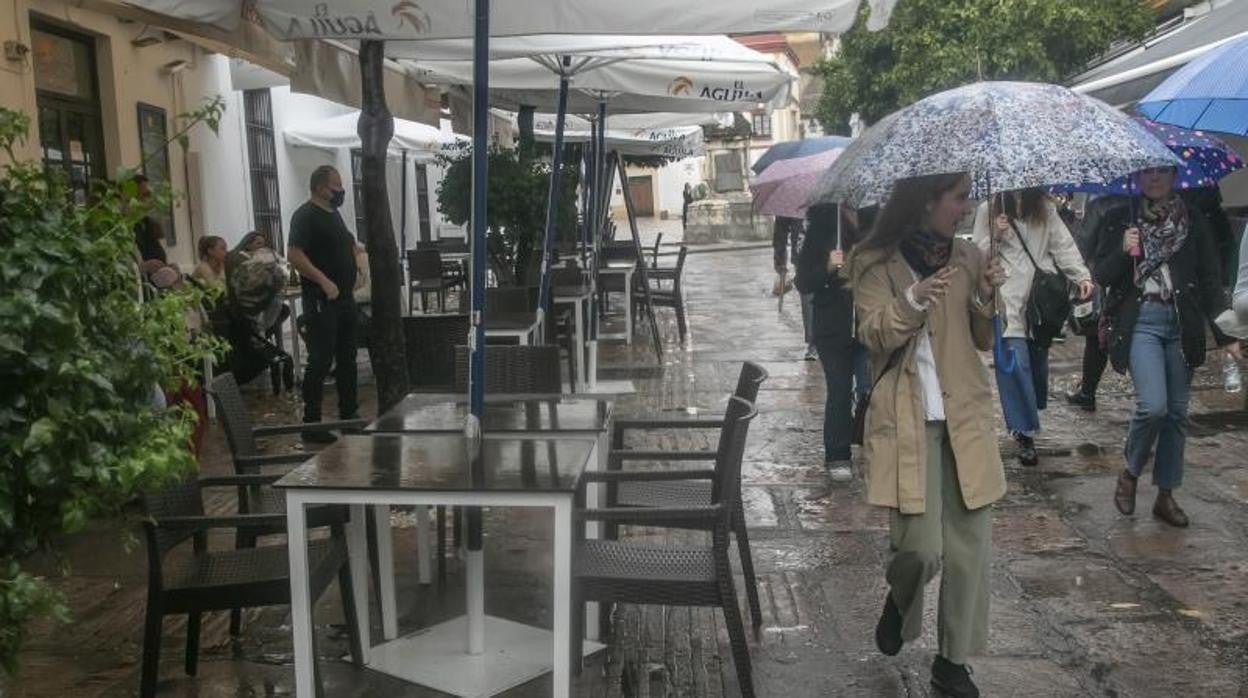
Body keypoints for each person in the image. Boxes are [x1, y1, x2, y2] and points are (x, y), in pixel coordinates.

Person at [846, 172, 1005, 698]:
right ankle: (900, 596)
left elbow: (982, 338)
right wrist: (912, 298)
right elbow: (871, 333)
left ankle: (952, 663)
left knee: (967, 553)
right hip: (906, 419)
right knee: (921, 551)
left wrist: (986, 296)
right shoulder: (874, 262)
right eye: (958, 199)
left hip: (965, 416)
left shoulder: (968, 257)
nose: (965, 209)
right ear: (927, 201)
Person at [1095, 166, 1240, 528]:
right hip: (1142, 321)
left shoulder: (1192, 221)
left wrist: (1227, 334)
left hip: (1181, 324)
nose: (1154, 179)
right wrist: (1125, 251)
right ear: (1137, 177)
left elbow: (1209, 279)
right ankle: (1130, 472)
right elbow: (1103, 275)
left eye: (1161, 172)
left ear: (1175, 176)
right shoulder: (1121, 217)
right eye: (1147, 173)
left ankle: (1166, 494)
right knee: (1153, 406)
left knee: (1176, 414)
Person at [972, 189, 1093, 466]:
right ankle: (1024, 432)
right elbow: (976, 256)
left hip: (1041, 300)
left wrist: (1081, 276)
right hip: (1006, 300)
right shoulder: (987, 209)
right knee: (1014, 366)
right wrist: (996, 236)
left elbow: (1063, 246)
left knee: (1037, 366)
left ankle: (1031, 406)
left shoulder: (1044, 208)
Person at [796, 203, 868, 482]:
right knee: (839, 391)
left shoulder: (873, 221)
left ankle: (870, 441)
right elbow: (803, 282)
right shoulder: (822, 227)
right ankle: (838, 454)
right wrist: (828, 267)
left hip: (867, 322)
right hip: (833, 327)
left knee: (869, 388)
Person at [288, 165, 361, 442]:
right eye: (336, 187)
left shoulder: (334, 215)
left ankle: (349, 415)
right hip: (322, 299)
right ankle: (312, 422)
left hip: (344, 298)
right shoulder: (305, 216)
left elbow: (347, 243)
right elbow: (294, 254)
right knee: (320, 359)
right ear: (320, 187)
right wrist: (322, 280)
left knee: (348, 357)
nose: (340, 192)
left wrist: (357, 267)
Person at [1066, 195, 1129, 411]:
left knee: (1096, 338)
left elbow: (1083, 245)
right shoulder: (1140, 202)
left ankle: (1088, 392)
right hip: (1130, 282)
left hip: (1107, 280)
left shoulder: (1101, 204)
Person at [774, 216, 817, 360]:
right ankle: (813, 342)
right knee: (809, 297)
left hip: (831, 252)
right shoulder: (792, 198)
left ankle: (816, 343)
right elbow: (781, 224)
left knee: (812, 297)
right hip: (804, 253)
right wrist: (780, 258)